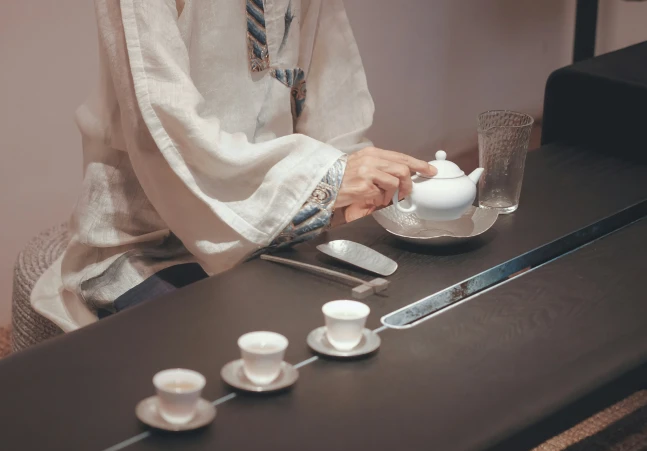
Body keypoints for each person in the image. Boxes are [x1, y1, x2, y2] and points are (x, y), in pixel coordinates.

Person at [31, 0, 436, 332]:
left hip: (279, 224)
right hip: (148, 242)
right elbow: (161, 123)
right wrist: (324, 179)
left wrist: (345, 193)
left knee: (368, 320)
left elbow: (333, 97)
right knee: (233, 356)